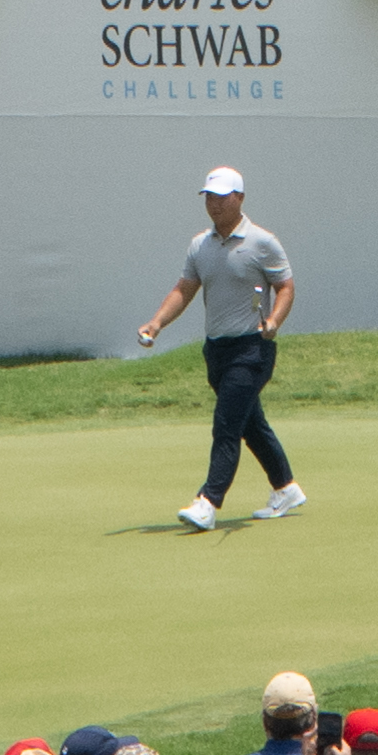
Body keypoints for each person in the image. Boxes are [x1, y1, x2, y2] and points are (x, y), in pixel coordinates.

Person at [136, 164, 301, 531]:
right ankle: (286, 487)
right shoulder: (200, 245)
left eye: (222, 198)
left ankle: (208, 501)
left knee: (227, 425)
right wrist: (157, 323)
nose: (214, 205)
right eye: (209, 198)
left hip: (252, 350)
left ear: (239, 198)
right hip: (217, 351)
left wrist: (273, 321)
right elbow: (184, 289)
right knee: (250, 423)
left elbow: (286, 287)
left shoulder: (262, 242)